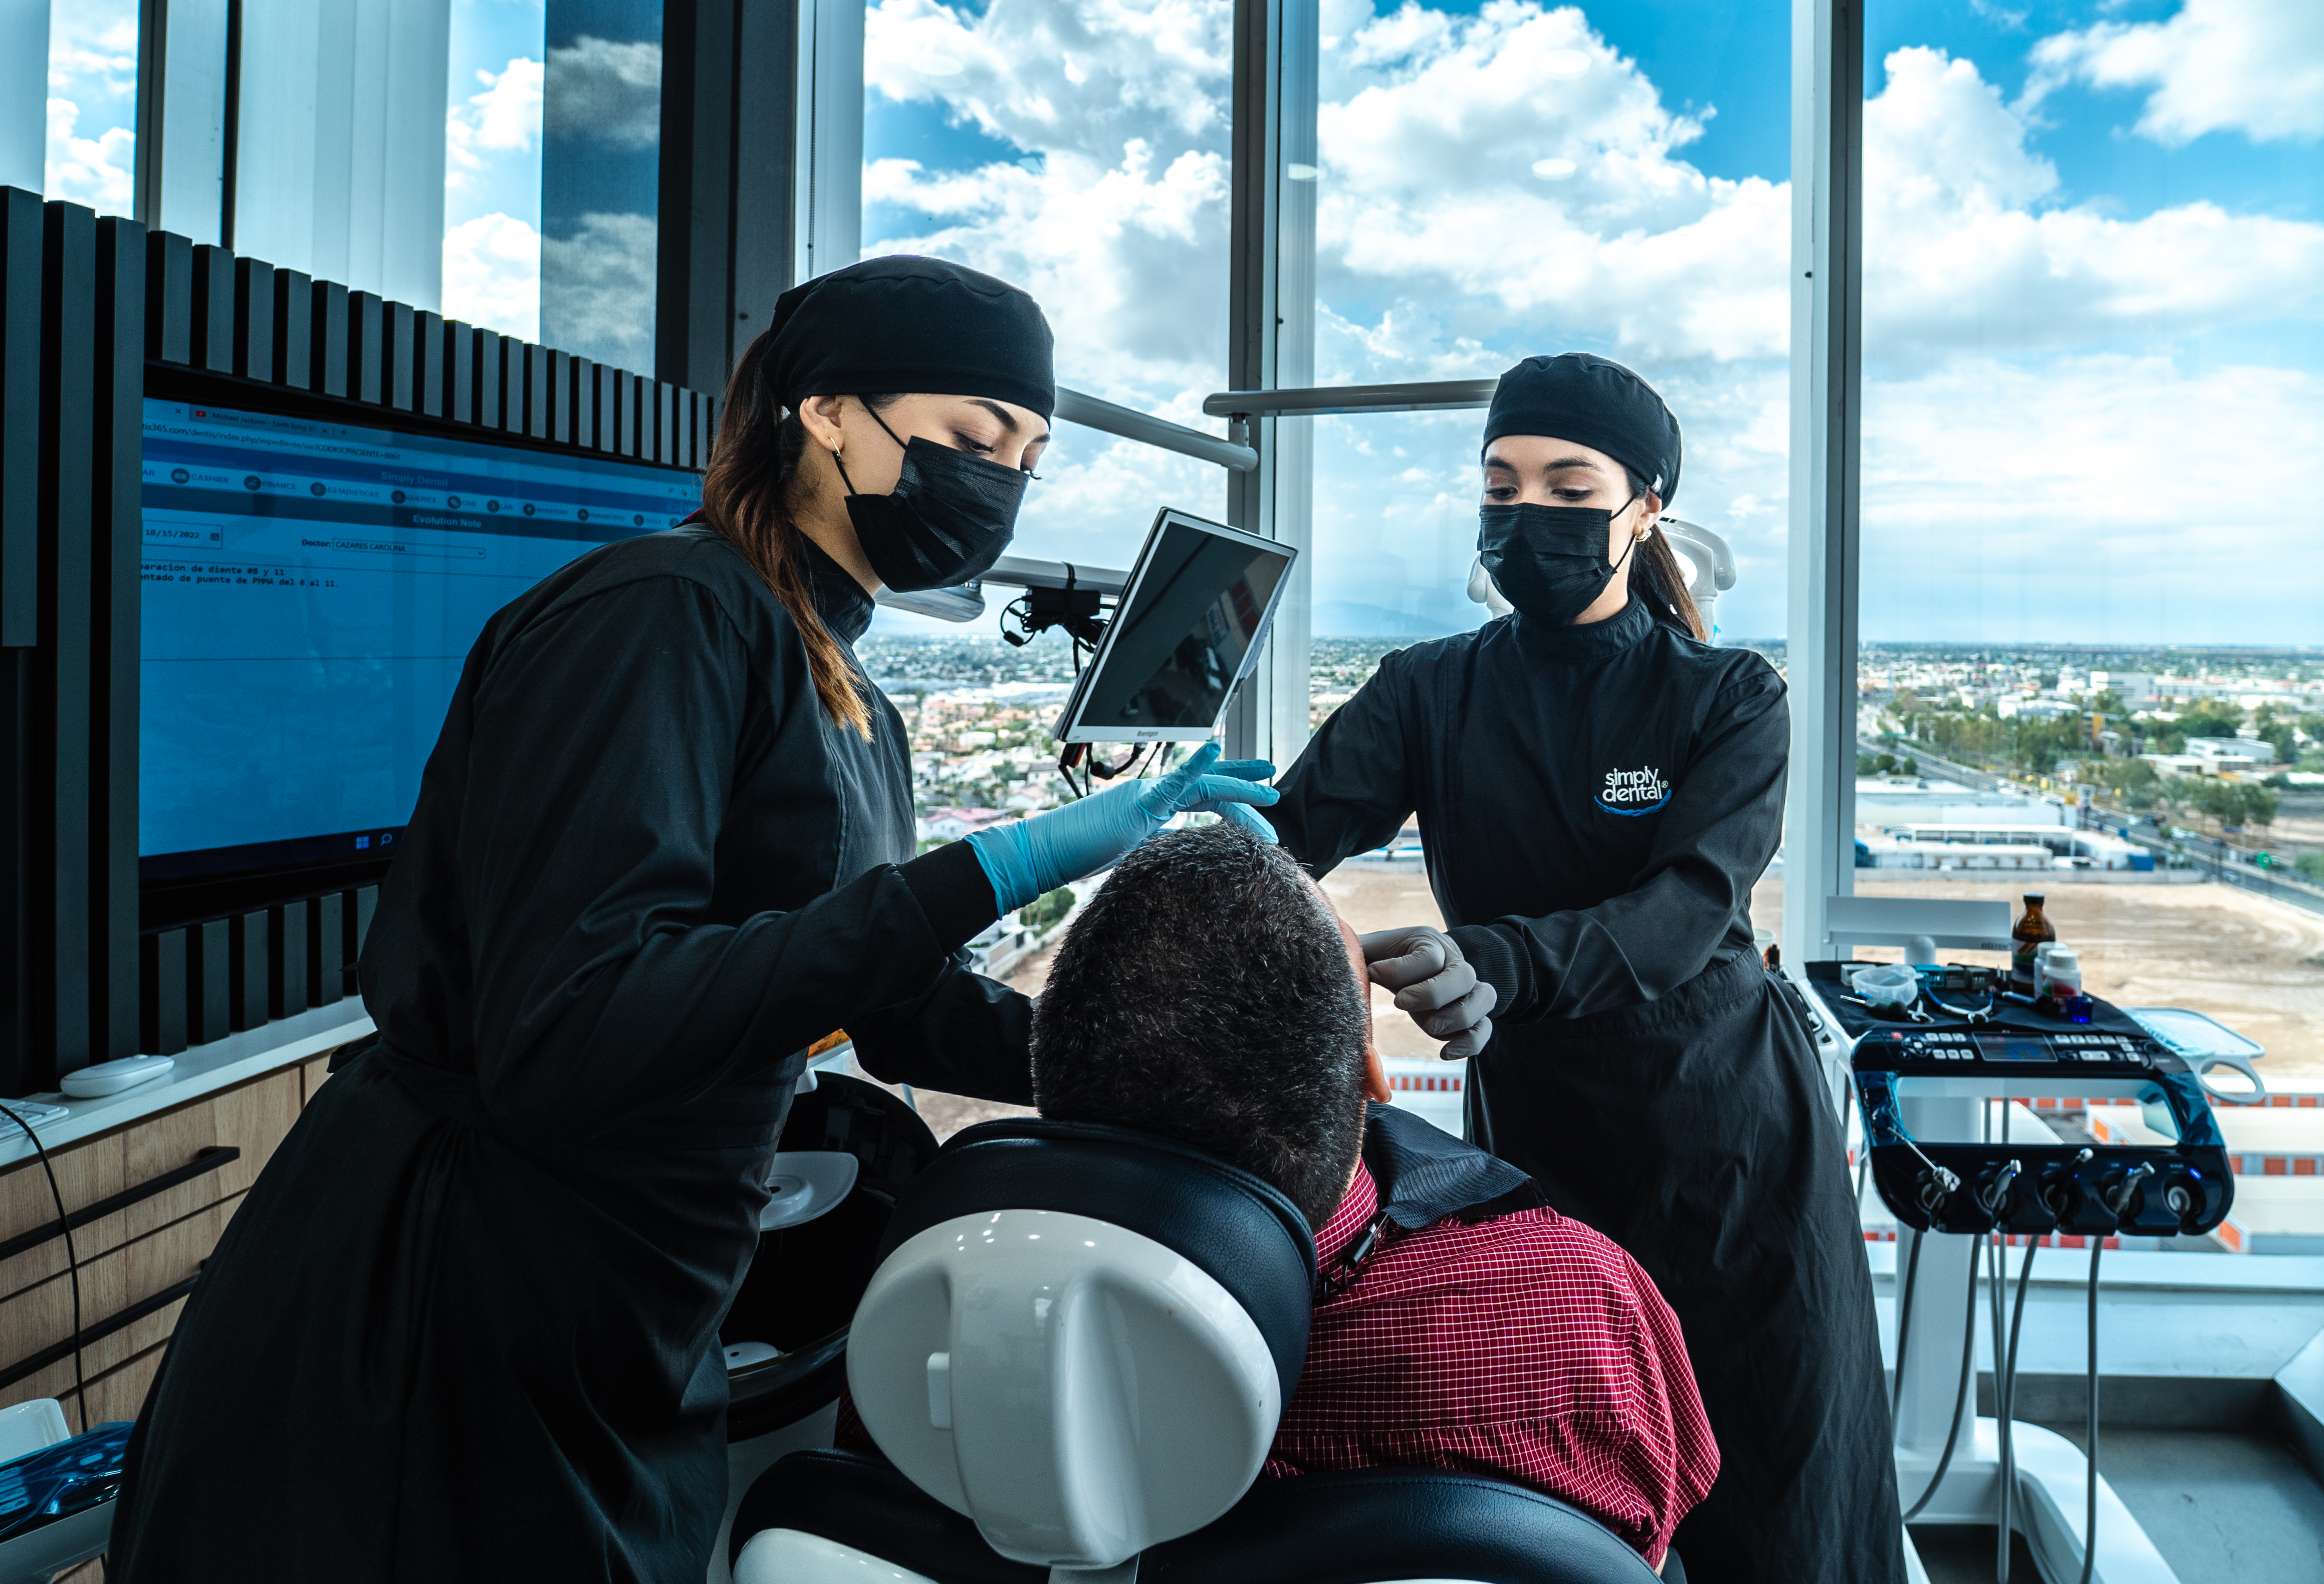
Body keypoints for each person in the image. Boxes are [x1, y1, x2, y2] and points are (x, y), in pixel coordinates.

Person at [107, 257, 1279, 1584]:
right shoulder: (656, 616)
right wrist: (998, 866)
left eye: (1026, 457)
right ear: (827, 412)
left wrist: (1143, 1078)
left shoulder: (847, 696)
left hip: (626, 1306)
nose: (1000, 484)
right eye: (971, 439)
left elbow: (892, 1000)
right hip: (448, 1311)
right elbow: (573, 1022)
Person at [1270, 352, 1900, 1582]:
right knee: (1563, 1482)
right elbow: (1287, 844)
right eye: (1501, 486)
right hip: (1540, 1144)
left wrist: (1491, 958)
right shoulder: (1425, 691)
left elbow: (1682, 912)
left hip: (1724, 1143)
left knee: (1774, 1479)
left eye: (1569, 486)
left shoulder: (1727, 698)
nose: (1526, 516)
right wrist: (1208, 854)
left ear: (1644, 507)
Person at [1024, 823, 1720, 1571]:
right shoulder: (1578, 1299)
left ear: (1051, 1080)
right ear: (1373, 1077)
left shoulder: (1006, 1321)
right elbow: (1660, 1510)